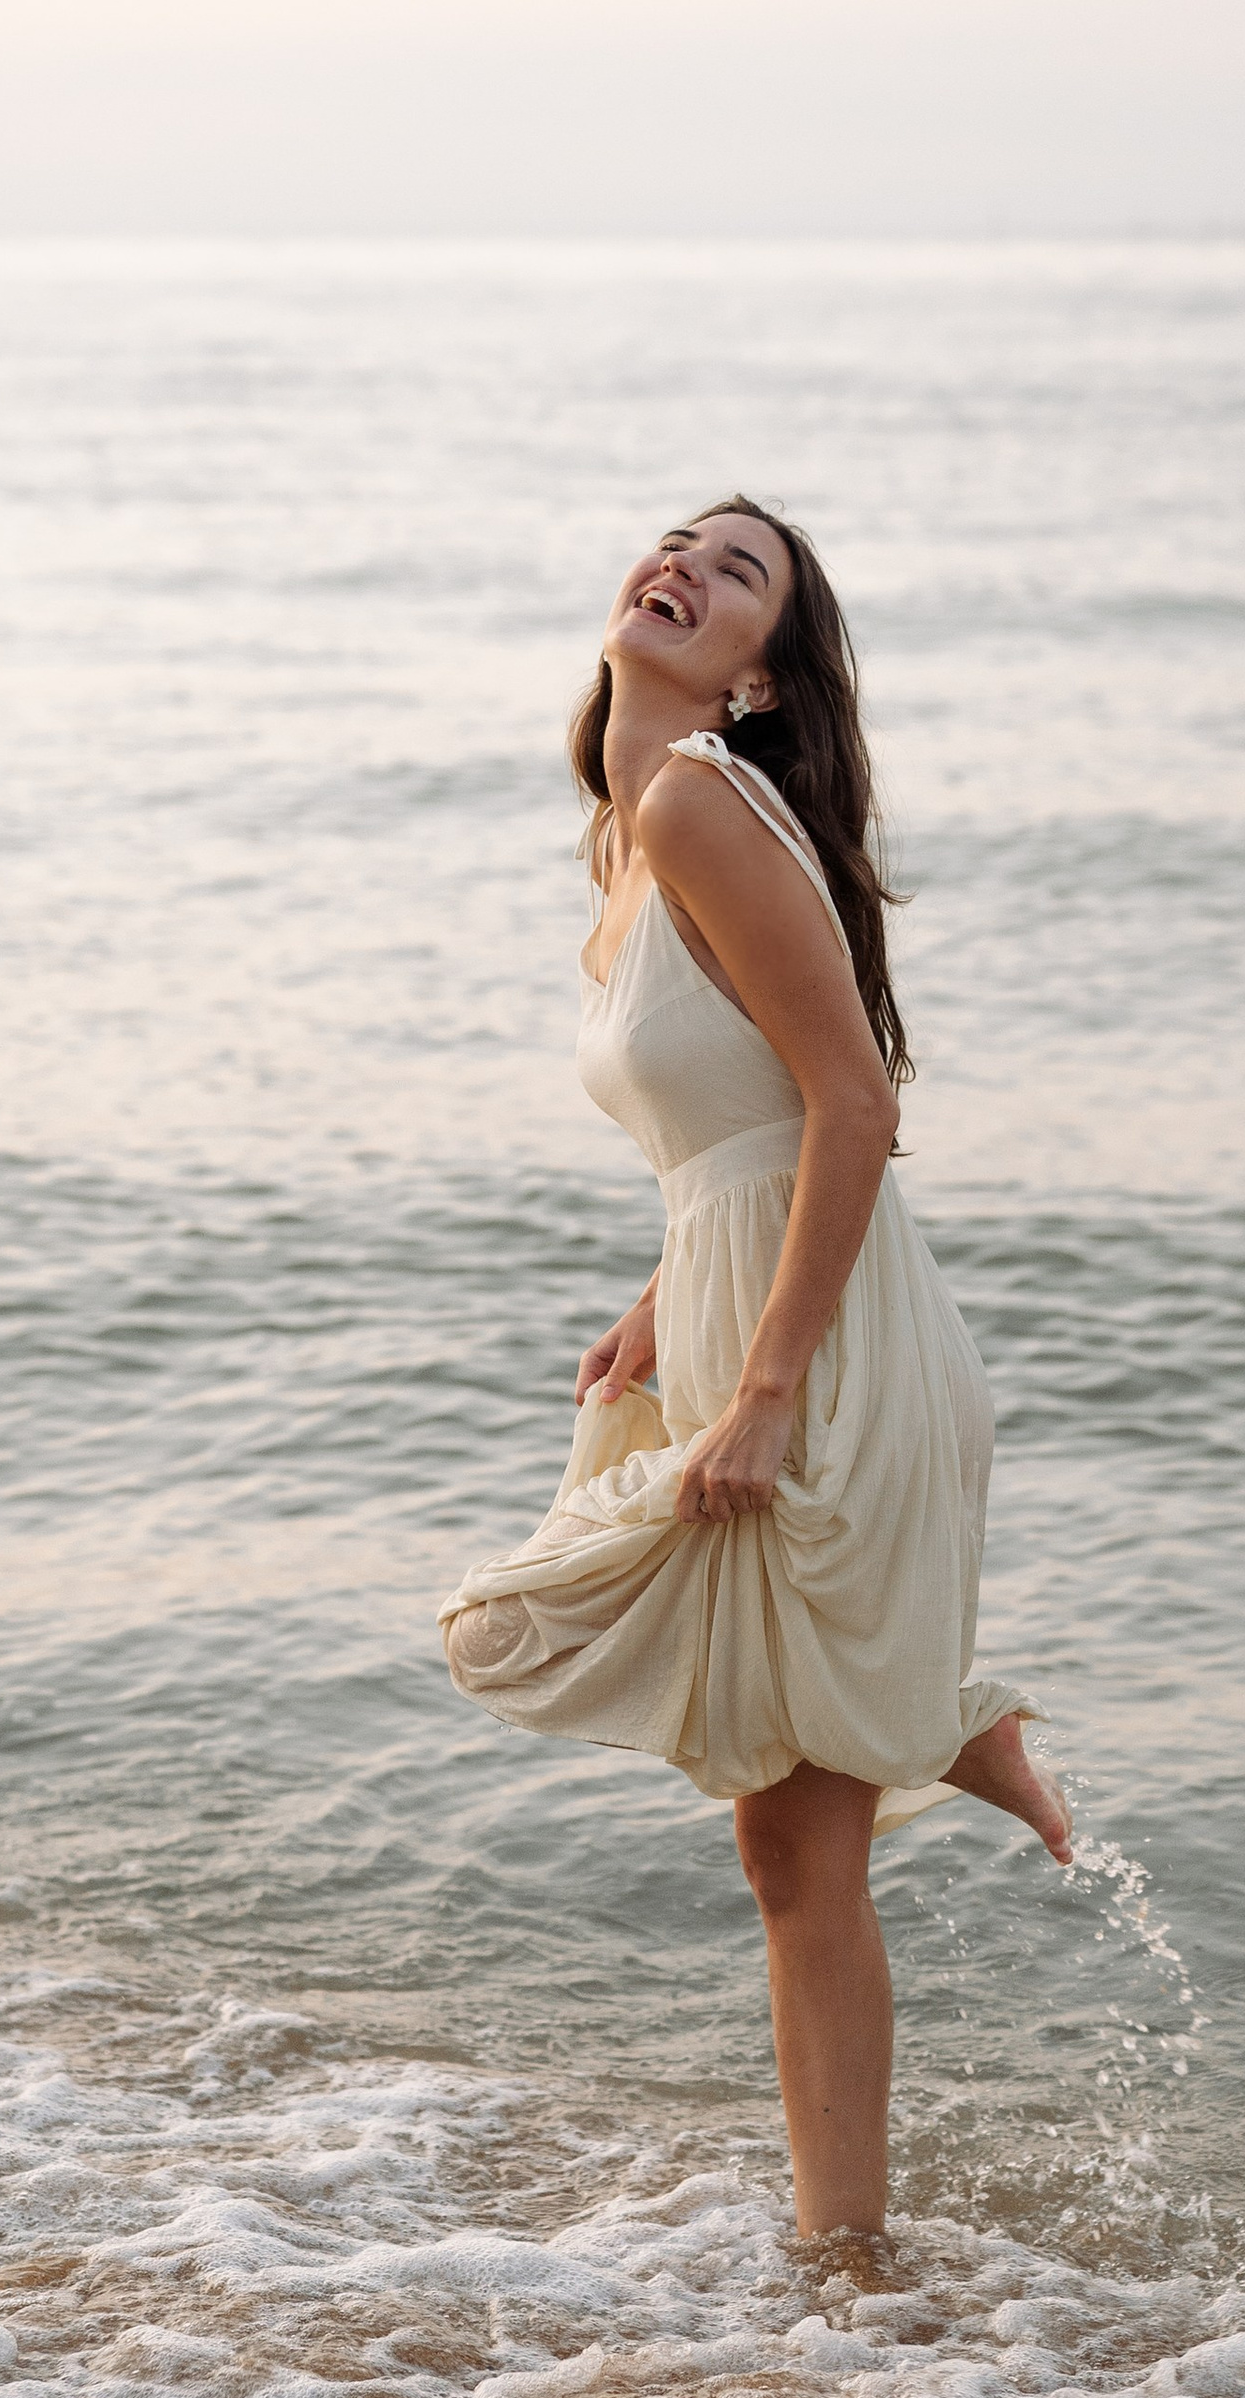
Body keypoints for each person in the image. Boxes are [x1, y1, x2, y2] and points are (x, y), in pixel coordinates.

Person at [439, 496, 1070, 2240]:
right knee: (784, 1847)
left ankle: (845, 2261)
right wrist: (665, 1293)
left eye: (740, 574)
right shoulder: (641, 835)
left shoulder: (702, 800)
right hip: (753, 1302)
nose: (687, 569)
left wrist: (770, 1387)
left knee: (788, 1846)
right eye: (680, 543)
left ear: (761, 682)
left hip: (834, 1343)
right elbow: (751, 1121)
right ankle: (948, 1726)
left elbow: (860, 1106)